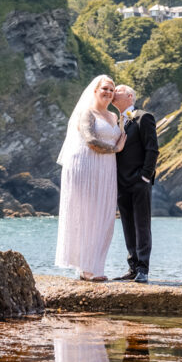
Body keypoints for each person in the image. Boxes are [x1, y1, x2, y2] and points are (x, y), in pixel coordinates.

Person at [55, 75, 126, 282]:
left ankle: (96, 265)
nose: (108, 92)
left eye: (111, 90)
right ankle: (86, 268)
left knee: (104, 215)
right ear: (95, 90)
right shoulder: (86, 113)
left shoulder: (114, 117)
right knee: (85, 214)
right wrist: (115, 148)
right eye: (104, 88)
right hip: (85, 165)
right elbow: (91, 140)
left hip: (106, 168)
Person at [111, 85, 158, 284]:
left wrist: (145, 177)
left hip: (139, 182)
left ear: (130, 96)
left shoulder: (142, 117)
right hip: (120, 184)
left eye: (118, 90)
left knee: (142, 225)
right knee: (127, 225)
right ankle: (132, 267)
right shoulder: (115, 121)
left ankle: (143, 269)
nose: (113, 92)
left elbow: (152, 149)